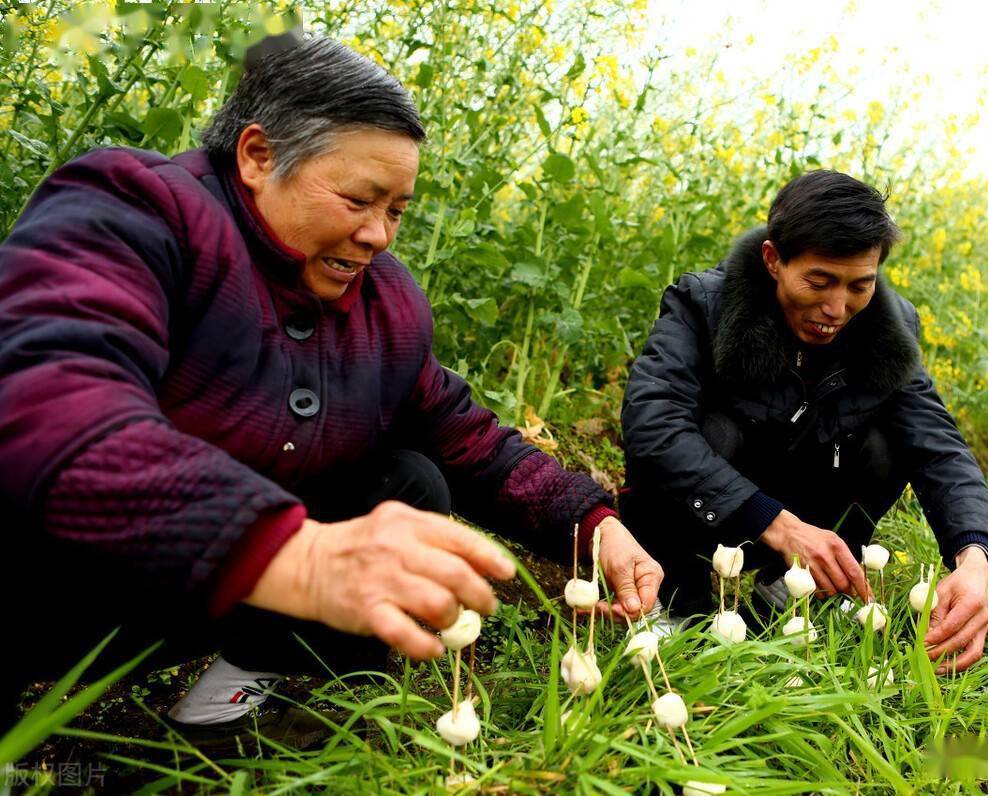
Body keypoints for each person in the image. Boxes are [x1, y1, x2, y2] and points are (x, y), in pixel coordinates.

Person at [0, 33, 663, 740]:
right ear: (258, 156)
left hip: (214, 591)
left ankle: (240, 688)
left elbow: (469, 439)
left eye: (398, 210)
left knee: (408, 480)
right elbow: (47, 389)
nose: (378, 234)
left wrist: (594, 526)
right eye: (358, 199)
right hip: (59, 583)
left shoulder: (385, 304)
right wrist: (292, 555)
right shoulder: (142, 212)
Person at [620, 170, 988, 673]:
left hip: (808, 516)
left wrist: (974, 560)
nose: (836, 308)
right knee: (710, 433)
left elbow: (939, 448)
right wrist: (775, 523)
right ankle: (673, 595)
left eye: (859, 286)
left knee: (891, 440)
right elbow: (652, 423)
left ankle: (792, 587)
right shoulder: (704, 305)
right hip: (716, 511)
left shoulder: (888, 330)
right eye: (818, 282)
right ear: (774, 260)